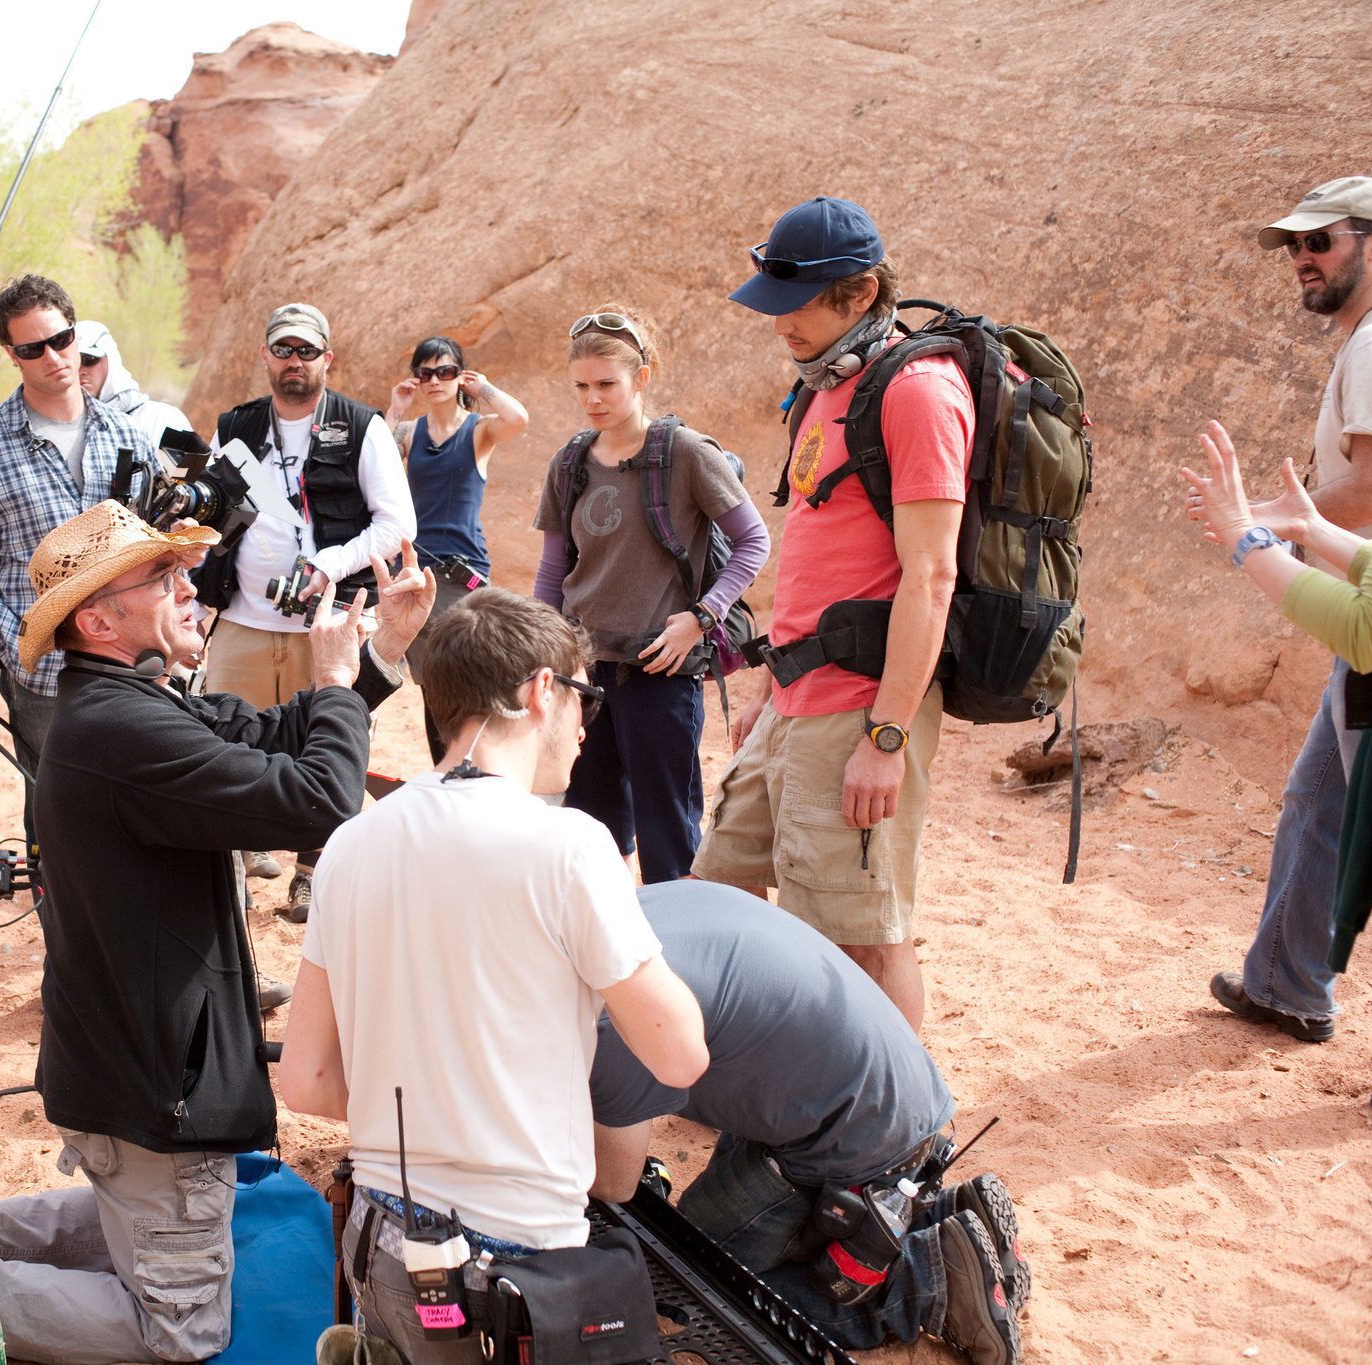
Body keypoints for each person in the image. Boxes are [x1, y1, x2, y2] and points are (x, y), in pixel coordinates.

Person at [0, 499, 434, 1363]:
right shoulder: (123, 730)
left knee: (140, 1206)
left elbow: (277, 734)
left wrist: (376, 655)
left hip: (125, 1072)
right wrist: (336, 683)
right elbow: (318, 798)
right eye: (166, 576)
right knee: (180, 1328)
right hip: (156, 1092)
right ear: (98, 617)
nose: (192, 590)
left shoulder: (122, 706)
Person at [278, 587, 708, 1364]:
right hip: (514, 1263)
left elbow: (306, 1079)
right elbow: (680, 1053)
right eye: (586, 697)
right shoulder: (571, 847)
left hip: (381, 1241)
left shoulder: (351, 845)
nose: (585, 726)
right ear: (541, 688)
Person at [697, 198, 973, 1031]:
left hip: (861, 705)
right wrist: (769, 691)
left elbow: (931, 577)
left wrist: (885, 738)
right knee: (719, 888)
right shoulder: (827, 384)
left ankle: (897, 1130)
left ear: (860, 294)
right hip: (794, 697)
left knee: (862, 933)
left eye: (798, 304)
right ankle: (762, 1079)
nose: (779, 323)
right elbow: (825, 555)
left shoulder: (919, 392)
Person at [589, 879, 1025, 1364]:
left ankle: (926, 1281)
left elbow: (612, 1182)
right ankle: (941, 1214)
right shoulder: (607, 915)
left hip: (855, 1133)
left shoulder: (613, 1018)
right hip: (867, 1093)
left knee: (695, 1274)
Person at [1181, 188, 1372, 1112]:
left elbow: (1371, 490)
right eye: (1293, 245)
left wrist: (1256, 535)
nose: (1302, 257)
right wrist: (1279, 519)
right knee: (1323, 795)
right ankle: (1286, 981)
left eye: (1320, 241)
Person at [532, 305, 769, 883]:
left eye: (607, 384)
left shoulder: (685, 454)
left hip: (660, 670)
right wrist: (539, 649)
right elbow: (553, 571)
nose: (593, 399)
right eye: (581, 386)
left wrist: (700, 618)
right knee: (587, 837)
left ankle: (675, 962)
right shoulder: (569, 463)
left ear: (642, 376)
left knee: (669, 841)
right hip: (584, 675)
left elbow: (753, 541)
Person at [198, 302, 416, 919]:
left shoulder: (361, 425)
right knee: (225, 743)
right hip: (240, 619)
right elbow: (213, 514)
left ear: (327, 359)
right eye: (283, 350)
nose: (295, 362)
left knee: (327, 743)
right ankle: (230, 872)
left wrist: (329, 563)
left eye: (306, 351)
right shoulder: (236, 426)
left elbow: (397, 524)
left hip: (326, 622)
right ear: (266, 356)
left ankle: (313, 870)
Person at [0, 275, 156, 859]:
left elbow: (160, 552)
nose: (53, 358)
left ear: (76, 334)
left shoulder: (130, 434)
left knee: (134, 797)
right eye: (32, 349)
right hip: (39, 669)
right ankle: (63, 927)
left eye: (60, 340)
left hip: (132, 659)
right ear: (11, 355)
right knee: (57, 808)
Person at [385, 335, 530, 759]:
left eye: (444, 371)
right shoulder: (408, 434)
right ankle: (444, 769)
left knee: (472, 676)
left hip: (466, 576)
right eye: (424, 372)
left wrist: (481, 388)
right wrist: (396, 408)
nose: (434, 380)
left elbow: (518, 418)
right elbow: (374, 459)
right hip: (419, 573)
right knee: (433, 684)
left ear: (458, 375)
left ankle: (479, 768)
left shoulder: (479, 430)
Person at [75, 319, 193, 444]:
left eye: (89, 360)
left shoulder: (163, 419)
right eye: (75, 363)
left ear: (112, 359)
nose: (81, 370)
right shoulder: (66, 430)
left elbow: (196, 464)